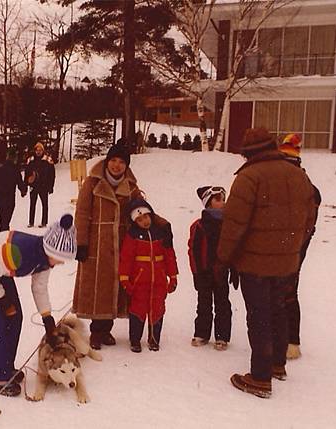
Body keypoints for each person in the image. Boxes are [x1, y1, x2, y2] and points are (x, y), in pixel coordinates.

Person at [217, 128, 317, 398]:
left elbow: (234, 226)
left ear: (249, 152)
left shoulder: (249, 177)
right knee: (278, 310)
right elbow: (309, 219)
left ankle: (260, 378)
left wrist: (223, 259)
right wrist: (293, 248)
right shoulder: (298, 175)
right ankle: (277, 364)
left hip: (255, 263)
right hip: (287, 261)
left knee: (259, 316)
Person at [0, 214, 77, 397]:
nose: (61, 263)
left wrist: (47, 319)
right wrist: (3, 300)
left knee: (15, 317)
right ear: (51, 252)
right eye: (60, 258)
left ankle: (6, 368)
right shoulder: (18, 252)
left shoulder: (45, 261)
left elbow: (39, 288)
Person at [73, 143, 143, 350]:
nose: (116, 165)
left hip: (122, 243)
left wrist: (161, 226)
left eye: (122, 162)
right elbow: (82, 213)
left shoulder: (131, 187)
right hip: (96, 243)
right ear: (107, 161)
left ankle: (107, 329)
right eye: (113, 160)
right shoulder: (92, 182)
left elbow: (142, 211)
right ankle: (96, 331)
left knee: (115, 287)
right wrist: (81, 242)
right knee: (98, 287)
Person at [278, 133, 322, 360]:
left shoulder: (296, 187)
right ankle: (290, 341)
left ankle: (288, 341)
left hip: (289, 249)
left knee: (283, 292)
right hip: (294, 248)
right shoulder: (308, 187)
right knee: (288, 292)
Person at [119, 199, 178, 353]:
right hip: (139, 281)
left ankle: (154, 339)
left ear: (150, 215)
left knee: (157, 309)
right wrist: (125, 279)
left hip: (158, 280)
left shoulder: (161, 233)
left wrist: (173, 276)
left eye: (145, 217)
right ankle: (135, 340)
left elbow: (170, 256)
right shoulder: (132, 236)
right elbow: (126, 258)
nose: (144, 221)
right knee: (138, 310)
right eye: (139, 219)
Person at [188, 186, 236, 351]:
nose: (222, 203)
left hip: (221, 272)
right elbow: (193, 251)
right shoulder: (199, 225)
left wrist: (233, 267)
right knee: (204, 304)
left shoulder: (228, 224)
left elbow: (232, 248)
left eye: (223, 199)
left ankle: (222, 336)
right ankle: (202, 333)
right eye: (218, 200)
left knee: (223, 304)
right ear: (208, 203)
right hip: (204, 273)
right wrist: (196, 272)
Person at [0, 151, 27, 232]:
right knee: (6, 222)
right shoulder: (15, 170)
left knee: (3, 221)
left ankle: (2, 237)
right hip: (9, 199)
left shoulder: (0, 169)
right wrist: (23, 191)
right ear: (15, 159)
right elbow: (20, 184)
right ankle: (3, 238)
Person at [25, 142, 55, 228]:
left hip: (44, 186)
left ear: (43, 150)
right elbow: (27, 173)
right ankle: (31, 222)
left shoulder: (48, 160)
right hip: (33, 186)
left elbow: (52, 175)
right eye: (37, 150)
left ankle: (44, 222)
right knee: (32, 204)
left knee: (45, 204)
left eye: (40, 150)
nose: (38, 152)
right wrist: (26, 183)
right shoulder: (30, 160)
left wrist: (51, 186)